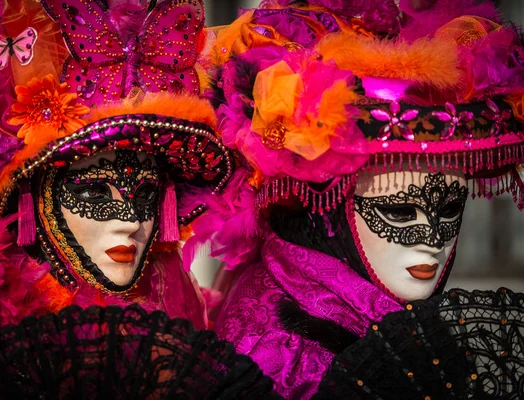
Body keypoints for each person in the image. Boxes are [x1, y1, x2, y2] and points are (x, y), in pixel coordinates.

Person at [186, 0, 524, 398]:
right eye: (399, 210)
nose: (432, 238)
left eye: (449, 209)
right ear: (329, 206)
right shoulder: (282, 349)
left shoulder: (382, 310)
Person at [0, 0, 231, 397]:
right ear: (33, 198)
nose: (132, 221)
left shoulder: (172, 296)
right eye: (93, 190)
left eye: (146, 194)